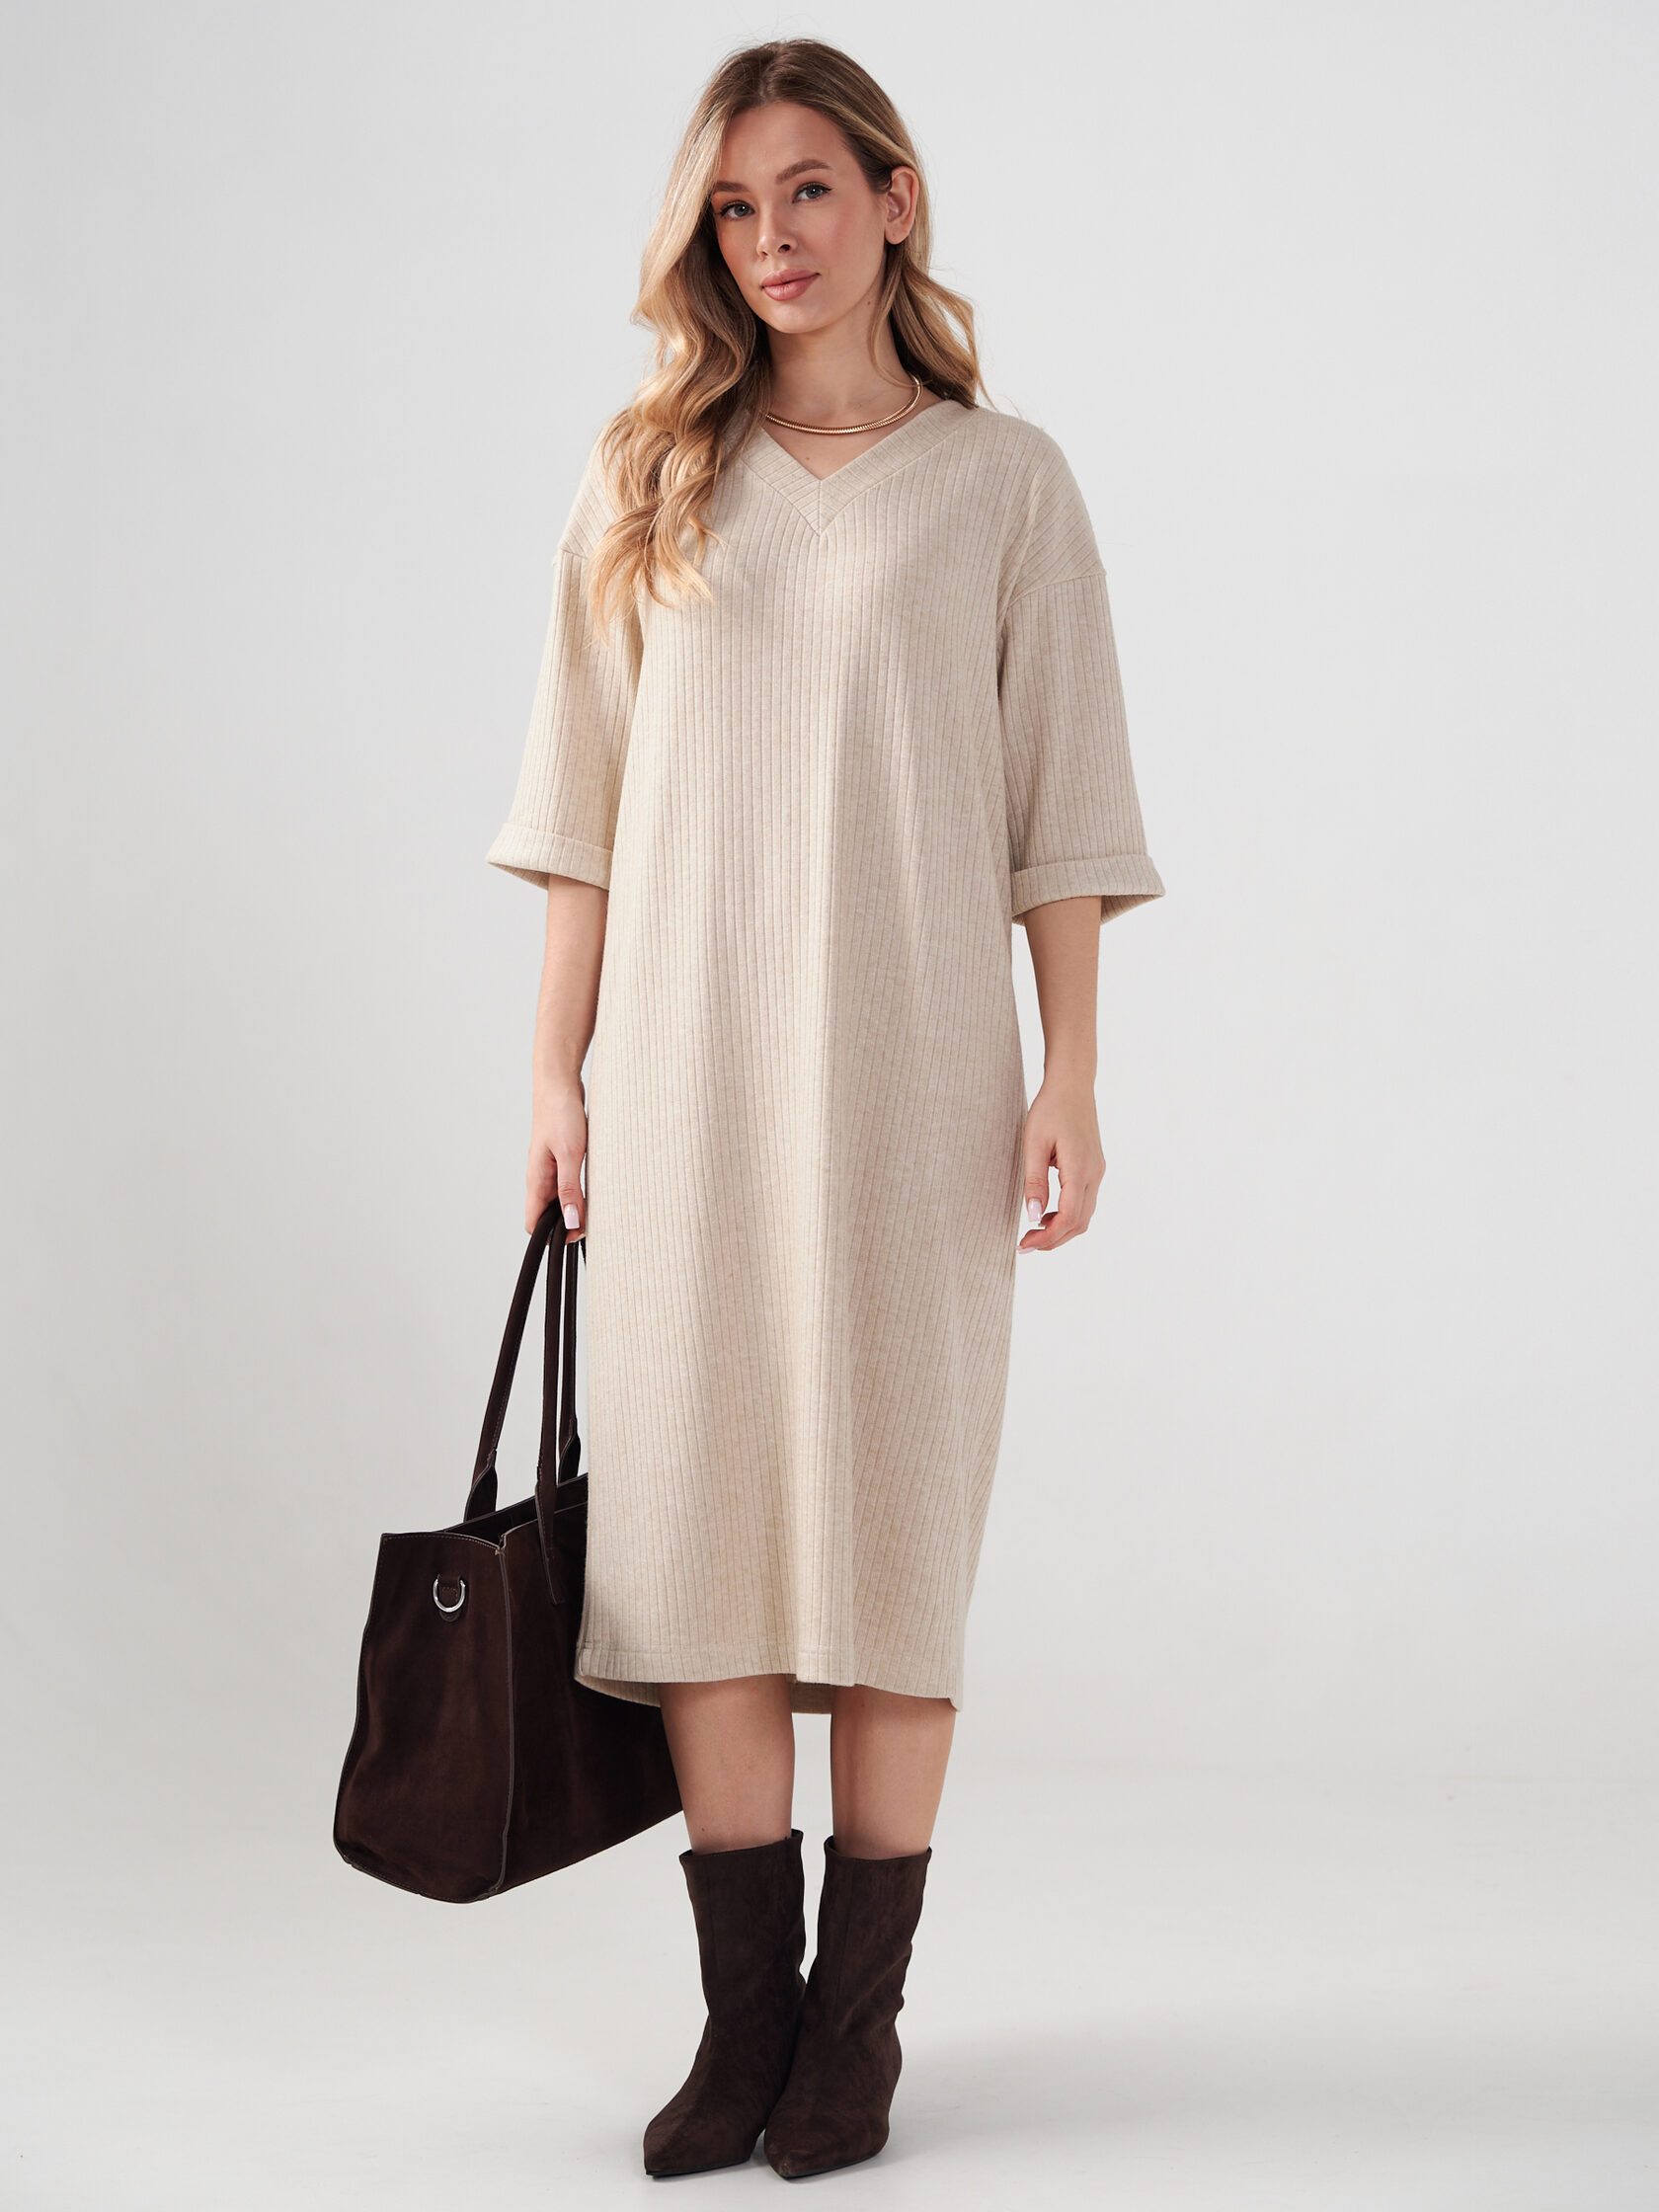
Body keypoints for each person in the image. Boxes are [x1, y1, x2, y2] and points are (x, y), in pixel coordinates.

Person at [486, 37, 1163, 2180]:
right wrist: (552, 1070)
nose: (769, 240)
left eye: (804, 191)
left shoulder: (1005, 486)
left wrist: (1071, 1070)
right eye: (733, 206)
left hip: (913, 1097)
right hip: (685, 1092)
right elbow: (580, 812)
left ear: (892, 198)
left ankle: (851, 2038)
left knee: (886, 1537)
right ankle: (743, 2028)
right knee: (693, 1540)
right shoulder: (650, 478)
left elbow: (1064, 816)